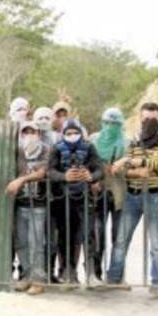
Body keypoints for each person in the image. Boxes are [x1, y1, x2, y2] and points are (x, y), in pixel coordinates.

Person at [106, 103, 158, 295]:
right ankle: (113, 278)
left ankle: (157, 284)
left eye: (153, 118)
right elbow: (122, 171)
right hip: (132, 195)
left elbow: (155, 162)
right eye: (145, 118)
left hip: (154, 195)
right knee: (121, 240)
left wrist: (128, 161)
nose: (148, 122)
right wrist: (135, 169)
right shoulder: (135, 139)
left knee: (157, 243)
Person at [48, 118, 103, 285]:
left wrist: (91, 176)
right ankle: (68, 272)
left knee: (89, 235)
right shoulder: (57, 148)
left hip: (85, 197)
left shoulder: (89, 147)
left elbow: (100, 170)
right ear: (63, 133)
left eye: (75, 132)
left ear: (81, 132)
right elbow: (50, 171)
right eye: (68, 133)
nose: (72, 135)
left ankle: (92, 273)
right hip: (63, 199)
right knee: (66, 237)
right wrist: (64, 176)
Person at [8, 121, 49, 296]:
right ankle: (26, 276)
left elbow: (41, 173)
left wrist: (21, 180)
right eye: (26, 132)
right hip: (21, 202)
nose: (29, 135)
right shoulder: (18, 151)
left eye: (33, 131)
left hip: (38, 203)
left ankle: (38, 279)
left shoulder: (46, 150)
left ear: (39, 133)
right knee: (21, 242)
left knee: (36, 243)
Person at [90, 108, 129, 283]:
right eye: (107, 122)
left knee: (119, 237)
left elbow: (131, 166)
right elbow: (88, 163)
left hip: (119, 194)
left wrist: (121, 166)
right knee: (98, 234)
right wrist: (93, 180)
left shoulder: (126, 143)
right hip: (98, 194)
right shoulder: (94, 140)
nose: (110, 126)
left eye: (114, 123)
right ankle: (95, 273)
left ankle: (117, 275)